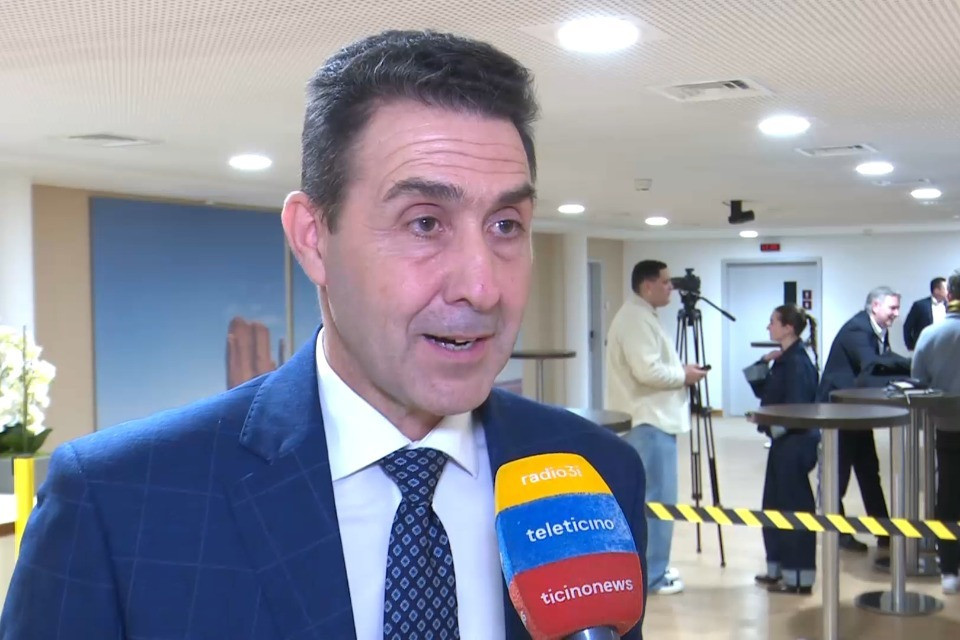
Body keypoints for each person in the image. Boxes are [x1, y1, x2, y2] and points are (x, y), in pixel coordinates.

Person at [0, 31, 648, 640]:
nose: (481, 287)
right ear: (313, 239)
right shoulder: (119, 505)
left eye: (506, 224)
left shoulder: (595, 476)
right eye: (425, 223)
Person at [605, 260, 708, 595]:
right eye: (665, 282)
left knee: (653, 501)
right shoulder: (635, 319)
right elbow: (647, 371)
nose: (671, 287)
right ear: (647, 286)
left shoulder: (642, 316)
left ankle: (653, 568)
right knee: (657, 502)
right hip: (648, 421)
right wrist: (683, 375)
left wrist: (679, 369)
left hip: (651, 420)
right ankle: (652, 576)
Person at [816, 286, 899, 552]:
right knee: (838, 476)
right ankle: (838, 533)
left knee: (868, 470)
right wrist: (911, 368)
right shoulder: (857, 330)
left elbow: (885, 360)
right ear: (875, 306)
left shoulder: (877, 330)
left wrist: (908, 367)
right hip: (839, 413)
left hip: (855, 411)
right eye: (892, 308)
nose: (896, 314)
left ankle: (884, 531)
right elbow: (872, 365)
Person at [751, 305, 820, 595]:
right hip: (783, 443)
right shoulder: (784, 359)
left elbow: (796, 410)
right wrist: (763, 361)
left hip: (795, 444)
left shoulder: (798, 363)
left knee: (793, 509)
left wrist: (770, 425)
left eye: (773, 322)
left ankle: (799, 578)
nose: (769, 327)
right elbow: (764, 391)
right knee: (774, 506)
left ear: (788, 327)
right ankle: (777, 568)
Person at [911, 269, 960, 595]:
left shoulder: (931, 334)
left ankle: (950, 570)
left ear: (949, 295)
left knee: (949, 496)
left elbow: (918, 381)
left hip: (947, 426)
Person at [903, 277, 948, 350]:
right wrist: (911, 346)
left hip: (946, 347)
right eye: (946, 289)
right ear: (936, 291)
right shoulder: (920, 305)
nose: (949, 291)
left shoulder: (950, 306)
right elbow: (907, 326)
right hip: (925, 348)